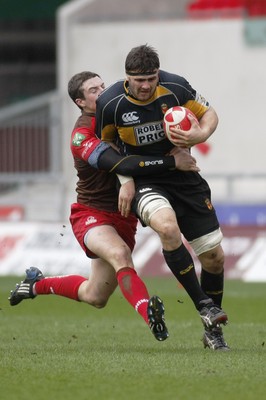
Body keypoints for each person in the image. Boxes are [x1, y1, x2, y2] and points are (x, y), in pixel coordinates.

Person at [9, 71, 199, 342]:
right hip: (92, 214)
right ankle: (151, 317)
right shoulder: (82, 134)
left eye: (102, 85)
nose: (103, 91)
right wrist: (170, 163)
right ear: (81, 102)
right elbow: (115, 163)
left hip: (123, 218)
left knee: (96, 295)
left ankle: (36, 284)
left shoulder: (122, 115)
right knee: (121, 255)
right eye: (93, 90)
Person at [95, 45, 230, 351]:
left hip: (185, 179)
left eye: (151, 79)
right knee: (167, 228)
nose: (145, 86)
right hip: (144, 180)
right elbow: (107, 148)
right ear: (127, 77)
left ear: (158, 74)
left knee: (214, 257)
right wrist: (125, 180)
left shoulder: (176, 86)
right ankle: (205, 306)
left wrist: (198, 136)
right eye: (138, 80)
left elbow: (209, 113)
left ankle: (213, 332)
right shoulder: (110, 103)